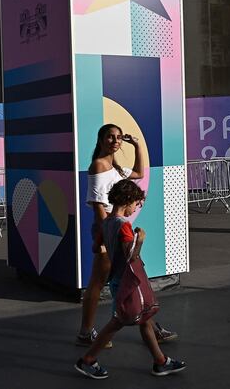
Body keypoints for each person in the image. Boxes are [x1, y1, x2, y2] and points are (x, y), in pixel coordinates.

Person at [76, 124, 177, 347]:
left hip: (114, 231)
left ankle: (149, 327)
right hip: (107, 231)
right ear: (101, 140)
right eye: (110, 137)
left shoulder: (116, 167)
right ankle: (86, 333)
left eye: (119, 138)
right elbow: (98, 205)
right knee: (99, 282)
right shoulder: (99, 165)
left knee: (132, 278)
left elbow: (140, 173)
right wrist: (105, 236)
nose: (115, 141)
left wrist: (137, 144)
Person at [75, 179, 186, 379]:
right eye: (136, 204)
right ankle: (88, 360)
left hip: (117, 279)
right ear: (128, 201)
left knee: (144, 318)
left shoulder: (106, 223)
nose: (135, 208)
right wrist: (140, 239)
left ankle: (161, 361)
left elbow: (95, 248)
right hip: (128, 281)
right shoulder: (124, 226)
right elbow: (131, 255)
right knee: (118, 322)